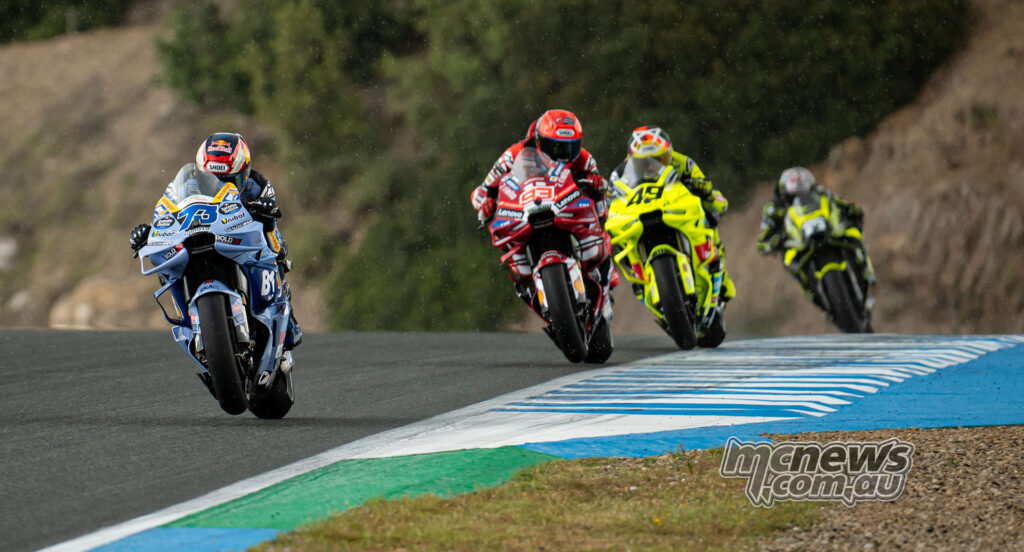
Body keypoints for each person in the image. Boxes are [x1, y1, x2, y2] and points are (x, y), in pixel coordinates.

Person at [129, 132, 302, 349]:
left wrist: (264, 210)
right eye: (212, 177)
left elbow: (272, 219)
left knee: (277, 250)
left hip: (240, 236)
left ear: (244, 172)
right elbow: (165, 211)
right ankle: (188, 320)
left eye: (230, 179)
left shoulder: (257, 185)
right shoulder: (180, 187)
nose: (221, 184)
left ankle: (285, 313)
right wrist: (150, 233)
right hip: (200, 234)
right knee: (166, 261)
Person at [470, 109, 615, 306]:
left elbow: (599, 184)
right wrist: (485, 202)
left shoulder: (584, 157)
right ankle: (529, 287)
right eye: (554, 148)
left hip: (568, 207)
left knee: (601, 243)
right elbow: (482, 189)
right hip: (528, 208)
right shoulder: (513, 154)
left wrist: (597, 192)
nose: (562, 155)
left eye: (569, 148)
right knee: (510, 252)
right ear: (539, 141)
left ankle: (602, 283)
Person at [609, 125, 736, 302]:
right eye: (644, 162)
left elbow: (706, 186)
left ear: (669, 153)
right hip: (640, 214)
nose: (652, 166)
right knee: (612, 237)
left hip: (674, 207)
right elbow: (609, 196)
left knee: (710, 215)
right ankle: (638, 278)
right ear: (632, 159)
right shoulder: (620, 172)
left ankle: (718, 269)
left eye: (659, 159)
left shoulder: (683, 162)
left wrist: (704, 190)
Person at [757, 166, 875, 307]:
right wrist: (772, 242)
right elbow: (764, 236)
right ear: (784, 192)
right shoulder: (773, 208)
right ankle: (811, 291)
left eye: (804, 193)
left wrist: (851, 211)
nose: (800, 198)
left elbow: (839, 203)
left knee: (854, 234)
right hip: (797, 244)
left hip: (830, 233)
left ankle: (865, 269)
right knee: (789, 261)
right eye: (794, 195)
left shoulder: (820, 194)